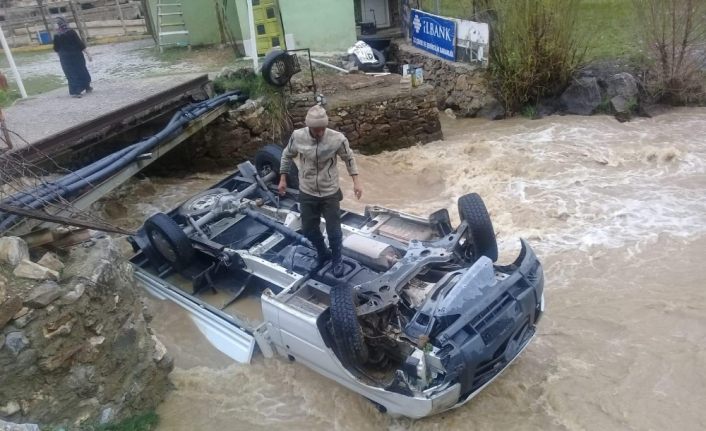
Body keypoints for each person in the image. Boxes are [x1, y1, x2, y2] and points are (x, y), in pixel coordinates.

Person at [279, 105, 363, 278]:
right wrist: (282, 178)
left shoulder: (337, 139)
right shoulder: (298, 136)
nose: (320, 133)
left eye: (323, 129)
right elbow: (287, 155)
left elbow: (349, 158)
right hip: (307, 190)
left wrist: (356, 182)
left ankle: (337, 258)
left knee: (334, 230)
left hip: (329, 191)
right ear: (309, 127)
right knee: (309, 229)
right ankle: (322, 251)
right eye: (316, 130)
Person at [52, 17, 92, 98]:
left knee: (71, 74)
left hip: (65, 58)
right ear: (65, 23)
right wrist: (88, 54)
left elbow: (56, 49)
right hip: (77, 56)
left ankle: (76, 91)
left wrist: (61, 57)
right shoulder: (71, 32)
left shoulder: (56, 35)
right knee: (81, 70)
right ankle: (87, 87)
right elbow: (80, 44)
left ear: (58, 25)